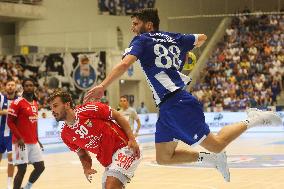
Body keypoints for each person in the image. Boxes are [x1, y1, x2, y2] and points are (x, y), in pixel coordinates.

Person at [83, 8, 282, 182]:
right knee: (163, 157)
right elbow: (202, 37)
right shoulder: (175, 38)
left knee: (216, 144)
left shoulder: (141, 40)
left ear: (149, 25)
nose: (133, 28)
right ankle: (212, 160)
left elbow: (125, 64)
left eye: (136, 24)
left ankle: (253, 119)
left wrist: (103, 85)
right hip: (168, 106)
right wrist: (182, 53)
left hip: (177, 102)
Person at [48, 90, 141, 189]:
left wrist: (132, 139)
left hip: (126, 148)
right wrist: (86, 168)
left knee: (111, 187)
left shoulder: (89, 109)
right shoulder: (65, 135)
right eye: (51, 108)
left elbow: (117, 115)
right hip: (108, 160)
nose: (52, 110)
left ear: (67, 105)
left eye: (55, 106)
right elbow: (82, 154)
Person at [7, 78, 45, 189]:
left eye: (31, 85)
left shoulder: (35, 103)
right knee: (22, 170)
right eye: (27, 85)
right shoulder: (17, 102)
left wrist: (37, 139)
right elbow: (10, 122)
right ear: (23, 87)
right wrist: (19, 138)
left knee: (40, 167)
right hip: (20, 143)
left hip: (33, 142)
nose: (29, 87)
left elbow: (34, 123)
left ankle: (27, 187)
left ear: (34, 87)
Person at [0, 80, 17, 189]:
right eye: (9, 85)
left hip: (12, 134)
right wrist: (6, 112)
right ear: (5, 87)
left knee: (11, 159)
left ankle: (9, 184)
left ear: (15, 88)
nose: (10, 87)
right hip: (0, 133)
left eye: (12, 85)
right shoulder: (1, 98)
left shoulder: (19, 100)